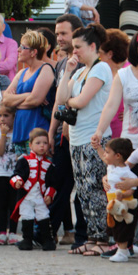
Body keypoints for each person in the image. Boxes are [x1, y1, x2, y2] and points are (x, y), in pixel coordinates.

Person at [65, 24, 113, 256]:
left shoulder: (101, 68)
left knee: (95, 188)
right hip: (77, 138)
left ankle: (102, 238)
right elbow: (62, 96)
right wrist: (66, 72)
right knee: (83, 190)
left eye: (78, 47)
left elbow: (81, 100)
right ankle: (92, 236)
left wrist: (69, 102)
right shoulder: (79, 71)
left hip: (94, 138)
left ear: (93, 46)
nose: (74, 52)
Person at [50, 14, 87, 249]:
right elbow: (58, 100)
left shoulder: (86, 63)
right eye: (57, 34)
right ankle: (49, 231)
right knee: (58, 183)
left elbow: (76, 99)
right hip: (61, 133)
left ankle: (81, 236)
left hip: (79, 131)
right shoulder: (62, 63)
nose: (59, 38)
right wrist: (52, 129)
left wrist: (64, 125)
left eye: (64, 33)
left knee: (79, 187)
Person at [93, 29, 138, 150]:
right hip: (130, 142)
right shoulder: (123, 74)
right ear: (135, 49)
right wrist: (99, 131)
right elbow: (111, 106)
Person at [1, 31, 54, 154]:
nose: (18, 50)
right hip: (20, 133)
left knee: (37, 171)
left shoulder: (45, 69)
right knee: (22, 171)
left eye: (23, 47)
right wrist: (27, 95)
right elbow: (5, 100)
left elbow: (35, 100)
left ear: (33, 52)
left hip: (38, 135)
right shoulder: (22, 72)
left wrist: (16, 103)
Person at [10, 127, 56, 251]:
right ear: (30, 145)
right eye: (38, 143)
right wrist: (17, 181)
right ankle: (27, 240)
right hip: (26, 195)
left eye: (45, 143)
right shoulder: (24, 161)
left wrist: (50, 194)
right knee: (27, 216)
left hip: (41, 196)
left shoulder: (49, 165)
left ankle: (47, 240)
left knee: (44, 216)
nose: (42, 146)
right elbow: (15, 175)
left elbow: (52, 183)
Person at [93, 137, 138, 262]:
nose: (105, 155)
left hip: (124, 206)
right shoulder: (111, 167)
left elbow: (133, 187)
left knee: (122, 229)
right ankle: (124, 249)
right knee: (114, 228)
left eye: (108, 152)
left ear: (117, 156)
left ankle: (122, 252)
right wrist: (98, 148)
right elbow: (103, 157)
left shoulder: (125, 172)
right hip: (113, 205)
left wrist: (123, 195)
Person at [0, 103, 19, 245]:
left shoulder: (19, 132)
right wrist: (3, 134)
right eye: (0, 115)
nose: (2, 119)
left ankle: (13, 231)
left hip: (14, 173)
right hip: (1, 173)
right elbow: (0, 151)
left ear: (14, 117)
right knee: (1, 203)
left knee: (14, 204)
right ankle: (2, 231)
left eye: (6, 116)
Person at [97, 29, 130, 138]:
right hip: (104, 126)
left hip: (122, 128)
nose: (98, 56)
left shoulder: (129, 70)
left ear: (110, 54)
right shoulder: (102, 71)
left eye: (100, 53)